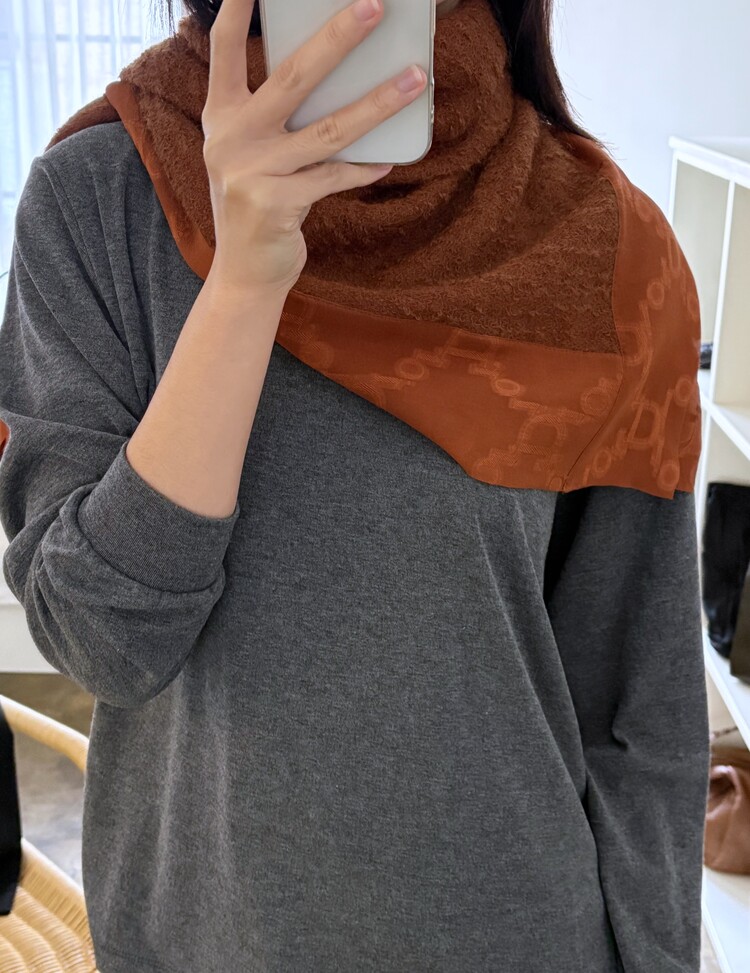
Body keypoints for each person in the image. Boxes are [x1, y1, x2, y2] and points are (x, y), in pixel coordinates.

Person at [0, 0, 710, 970]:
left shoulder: (603, 247)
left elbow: (640, 710)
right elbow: (102, 642)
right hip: (208, 944)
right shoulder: (98, 199)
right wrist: (243, 285)